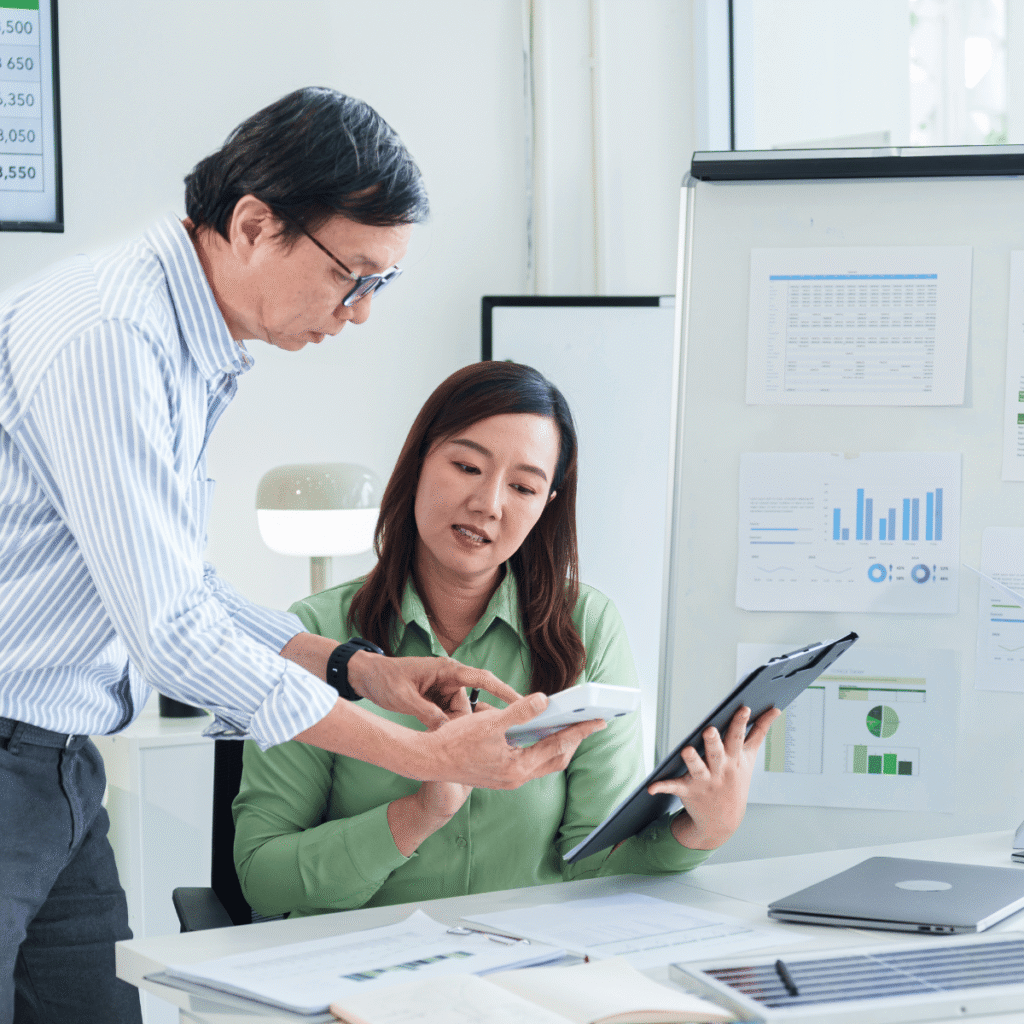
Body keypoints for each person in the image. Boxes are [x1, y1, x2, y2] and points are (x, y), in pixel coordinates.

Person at [0, 90, 598, 1024]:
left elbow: (183, 584)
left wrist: (359, 668)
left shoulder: (181, 343)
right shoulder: (113, 335)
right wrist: (421, 751)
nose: (358, 314)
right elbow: (170, 635)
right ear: (254, 224)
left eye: (380, 286)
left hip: (59, 768)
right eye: (350, 277)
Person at [233, 361, 779, 918]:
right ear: (419, 461)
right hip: (360, 962)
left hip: (532, 958)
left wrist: (704, 828)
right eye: (467, 466)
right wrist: (422, 811)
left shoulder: (587, 626)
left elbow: (597, 863)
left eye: (523, 487)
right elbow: (265, 880)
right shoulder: (317, 637)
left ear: (547, 504)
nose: (489, 504)